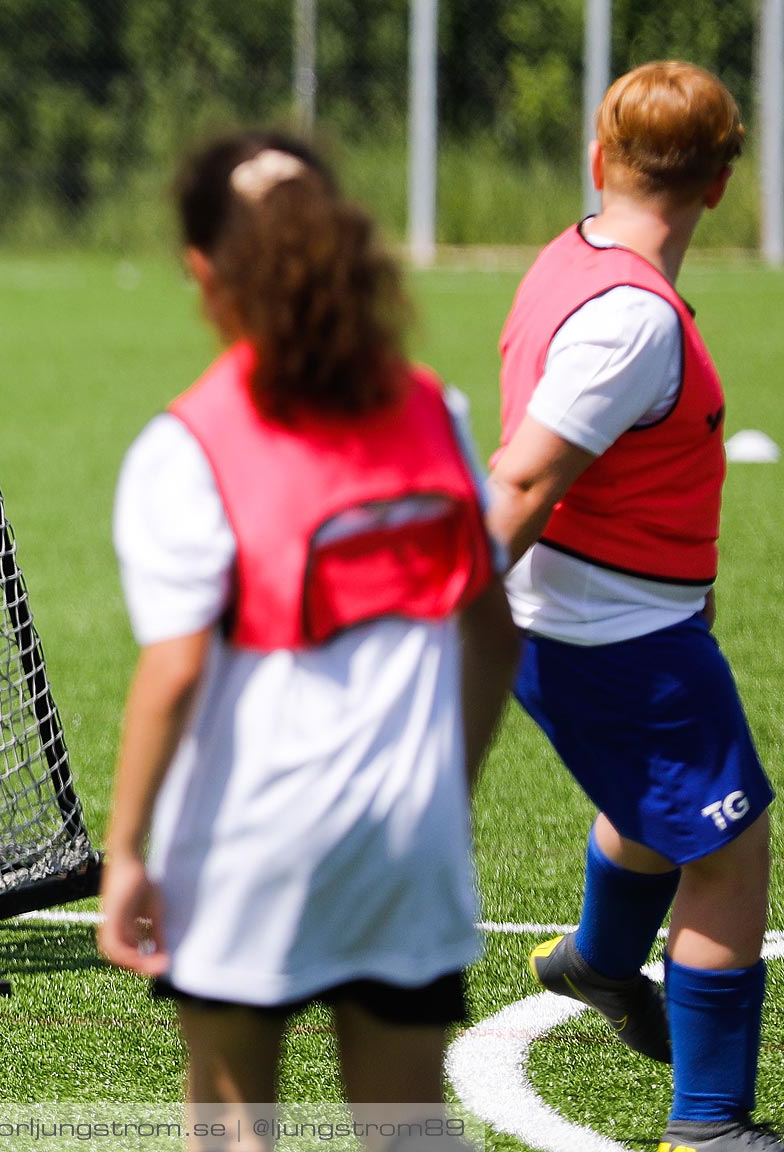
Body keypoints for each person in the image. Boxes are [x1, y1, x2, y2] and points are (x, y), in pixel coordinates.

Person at [96, 132, 518, 1151]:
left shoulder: (187, 446)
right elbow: (495, 632)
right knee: (410, 1126)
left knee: (235, 1126)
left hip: (251, 846)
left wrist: (123, 854)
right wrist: (436, 792)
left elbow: (176, 668)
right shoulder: (436, 410)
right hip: (404, 840)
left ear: (203, 270)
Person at [489, 61, 774, 1151]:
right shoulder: (633, 321)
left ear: (599, 160)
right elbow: (522, 480)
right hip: (610, 634)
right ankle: (708, 1125)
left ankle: (599, 963)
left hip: (602, 618)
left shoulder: (572, 254)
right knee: (729, 845)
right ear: (720, 184)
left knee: (662, 802)